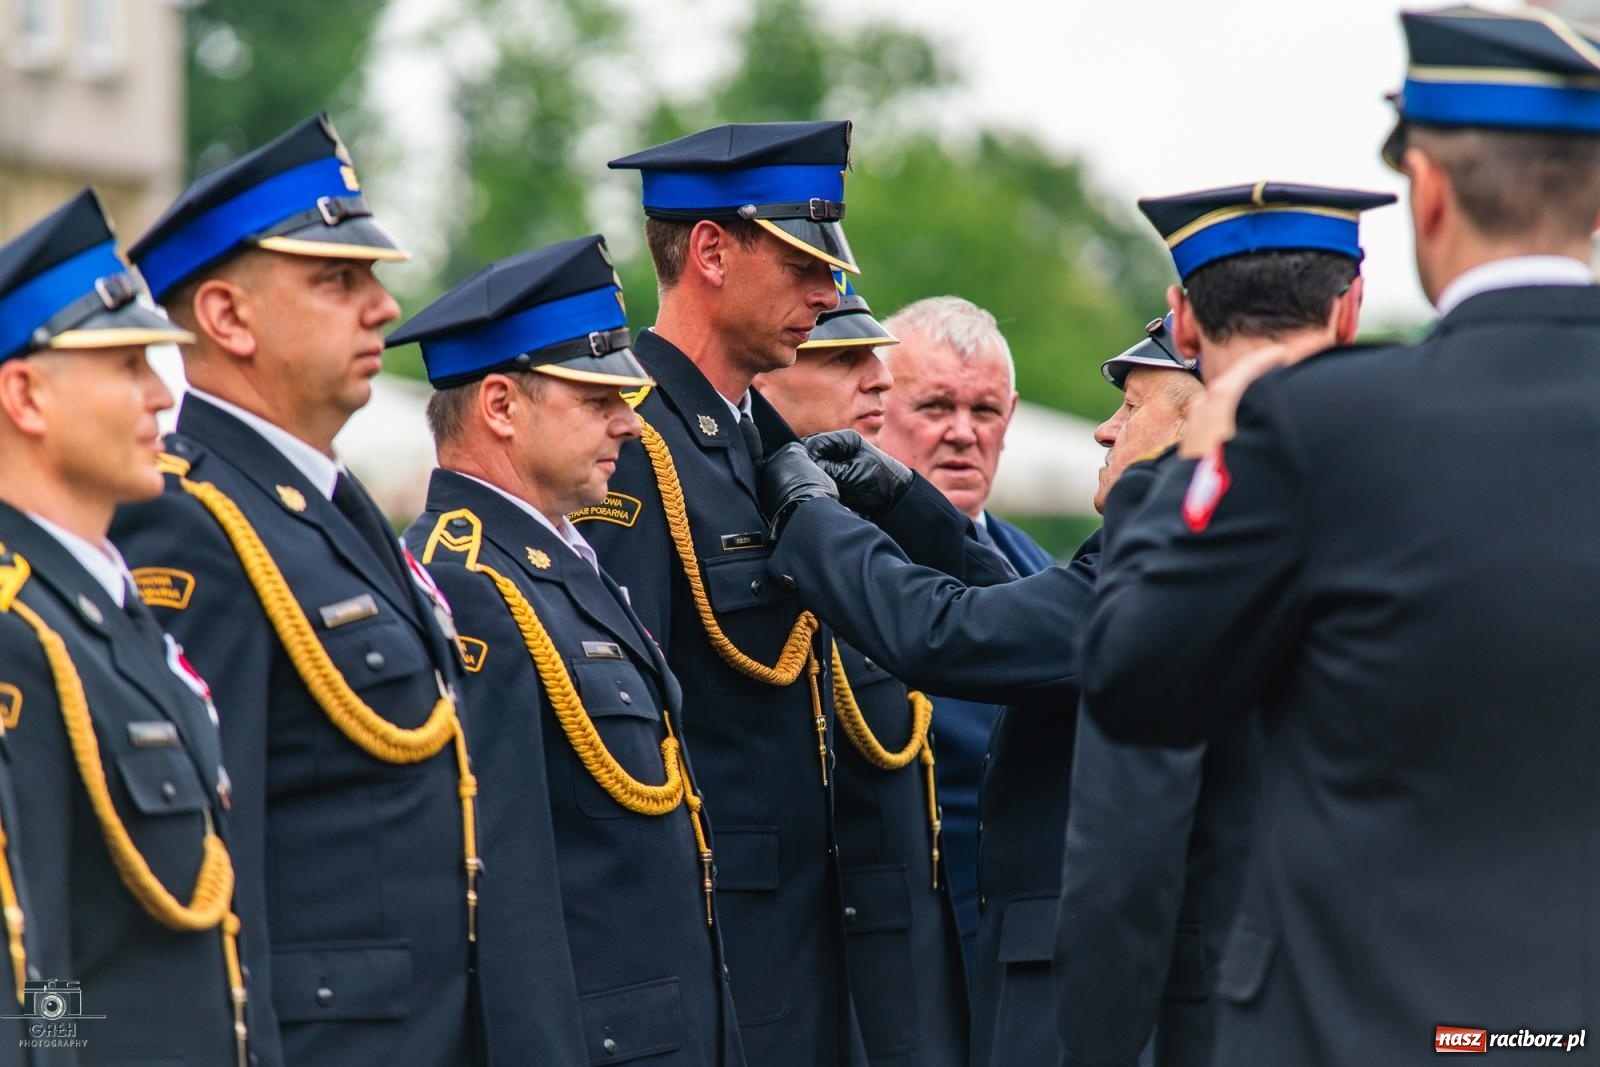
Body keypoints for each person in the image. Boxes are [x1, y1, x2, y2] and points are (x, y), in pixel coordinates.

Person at [1083, 7, 1600, 1063]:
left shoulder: (1323, 426)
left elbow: (1136, 673)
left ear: (1433, 191)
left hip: (1367, 1019)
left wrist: (1192, 468)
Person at [111, 114, 478, 1066]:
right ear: (229, 318)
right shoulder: (193, 520)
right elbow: (206, 867)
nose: (385, 308)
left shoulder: (326, 500)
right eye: (338, 280)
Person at [1056, 175, 1385, 1067]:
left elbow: (1127, 836)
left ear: (1185, 323)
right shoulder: (1439, 477)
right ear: (1350, 308)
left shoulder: (1172, 508)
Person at [392, 235, 743, 1067]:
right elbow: (508, 890)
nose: (628, 419)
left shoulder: (555, 560)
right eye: (596, 398)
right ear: (503, 407)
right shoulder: (468, 580)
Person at [0, 189, 254, 1063]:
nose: (161, 396)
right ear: (26, 395)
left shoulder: (107, 606)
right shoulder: (16, 631)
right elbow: (33, 961)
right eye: (126, 366)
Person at [753, 275, 969, 1067]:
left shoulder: (866, 525)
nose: (878, 378)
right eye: (843, 357)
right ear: (764, 369)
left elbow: (963, 622)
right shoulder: (709, 517)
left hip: (902, 982)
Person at [872, 296, 1053, 967]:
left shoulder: (1036, 568)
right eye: (934, 406)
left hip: (1022, 959)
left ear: (1009, 421)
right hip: (896, 960)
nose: (961, 432)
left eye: (983, 411)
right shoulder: (844, 572)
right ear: (875, 408)